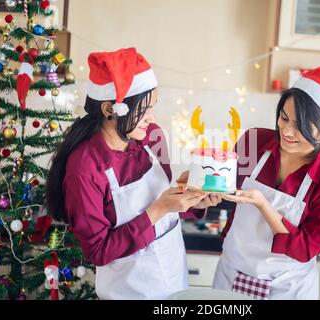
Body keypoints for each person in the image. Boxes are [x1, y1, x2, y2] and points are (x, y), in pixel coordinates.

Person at [45, 48, 221, 299]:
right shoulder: (84, 168)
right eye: (144, 108)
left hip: (174, 284)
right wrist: (158, 209)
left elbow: (165, 201)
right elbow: (98, 251)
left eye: (153, 106)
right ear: (110, 109)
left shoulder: (153, 136)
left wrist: (193, 199)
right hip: (128, 292)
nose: (152, 117)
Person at [213, 67, 320, 300]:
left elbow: (306, 248)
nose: (287, 131)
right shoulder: (253, 140)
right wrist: (205, 185)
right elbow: (223, 190)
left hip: (287, 288)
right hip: (230, 276)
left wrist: (262, 204)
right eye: (284, 118)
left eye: (301, 125)